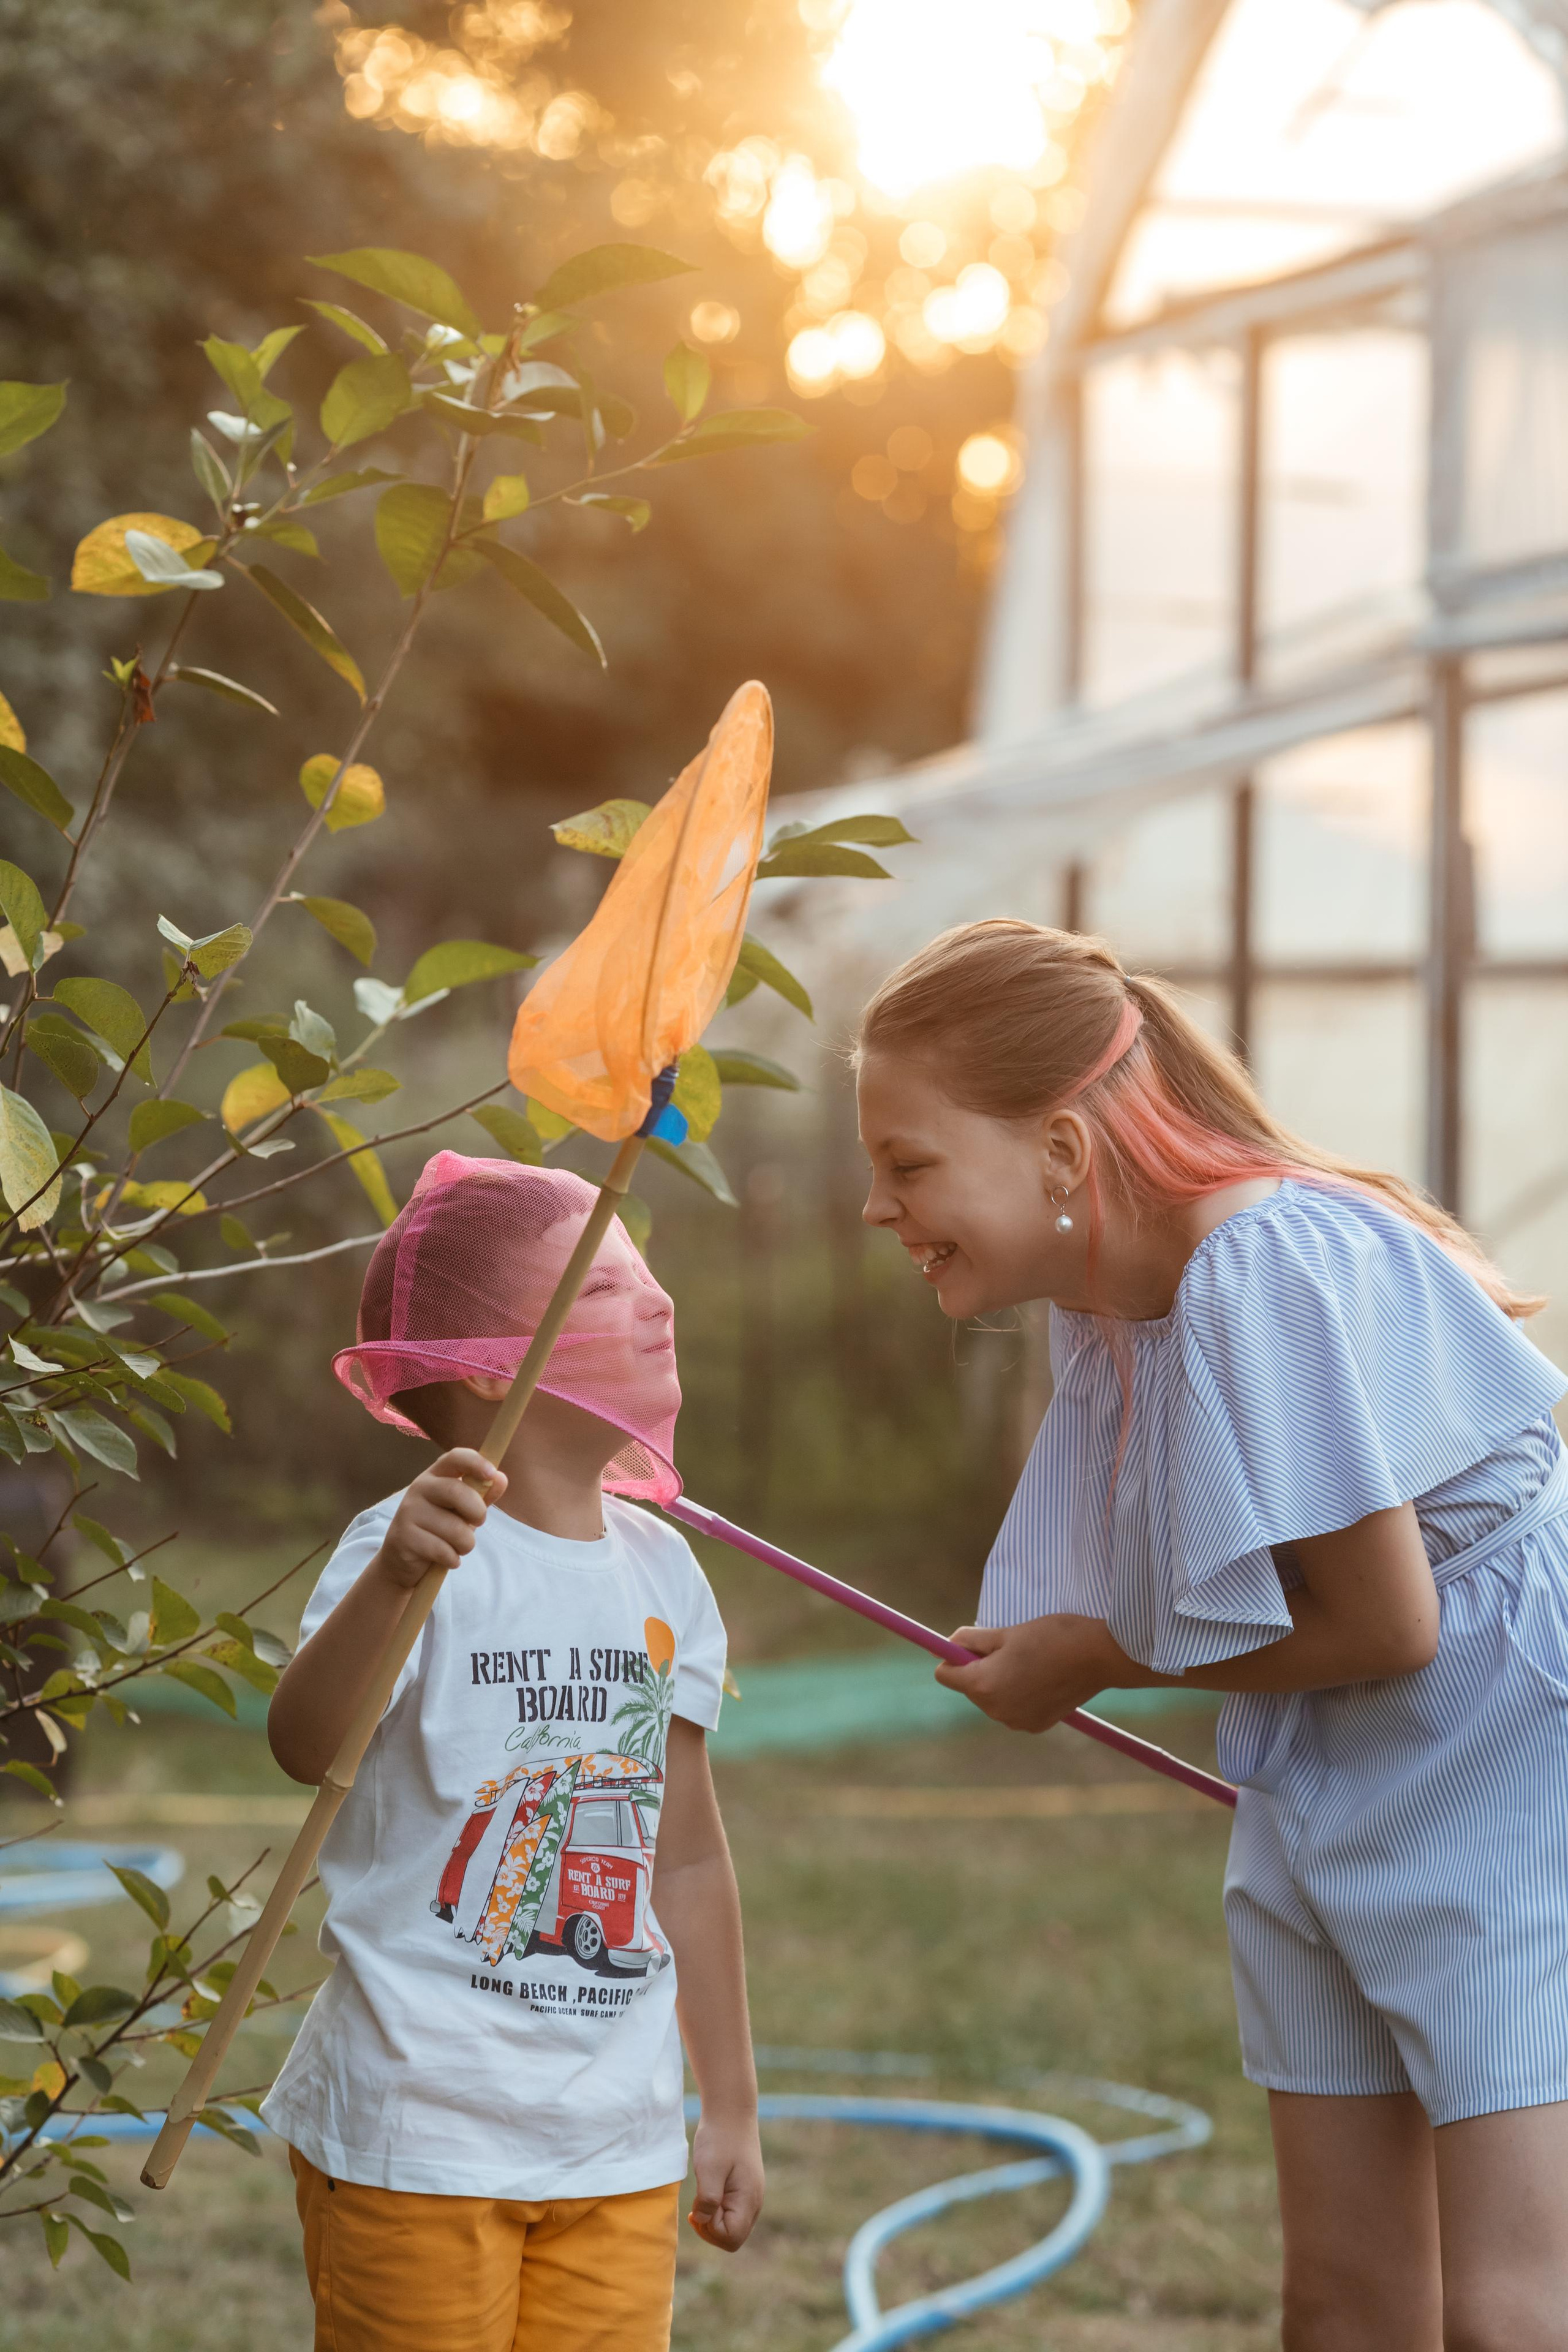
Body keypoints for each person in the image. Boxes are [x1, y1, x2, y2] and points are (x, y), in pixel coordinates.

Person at [855, 919, 1568, 2352]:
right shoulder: (1115, 1303)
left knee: (1507, 2308)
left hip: (1505, 1743)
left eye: (907, 1164)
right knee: (1342, 2304)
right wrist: (1079, 1643)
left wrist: (1098, 1657)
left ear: (1060, 1152)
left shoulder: (1261, 1267)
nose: (877, 1208)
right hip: (1323, 1762)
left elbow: (1386, 1621)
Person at [261, 1153, 763, 2352]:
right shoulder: (410, 1549)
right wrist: (393, 1584)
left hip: (614, 2142)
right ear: (489, 1369)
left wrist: (730, 2105)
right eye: (600, 1292)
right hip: (417, 2132)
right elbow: (302, 1745)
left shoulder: (663, 1575)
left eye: (648, 1281)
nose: (658, 1306)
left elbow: (683, 1860)